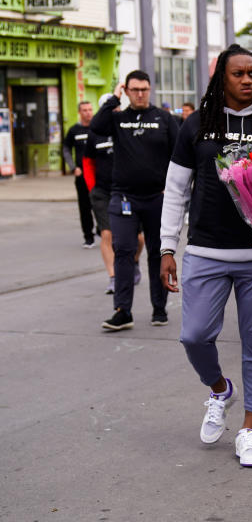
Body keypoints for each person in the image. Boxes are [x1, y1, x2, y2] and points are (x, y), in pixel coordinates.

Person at [160, 44, 252, 468]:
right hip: (205, 251)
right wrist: (167, 247)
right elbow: (175, 191)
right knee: (193, 334)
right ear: (221, 79)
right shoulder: (197, 126)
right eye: (239, 74)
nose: (247, 80)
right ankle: (219, 389)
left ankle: (249, 430)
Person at [91, 70, 179, 330]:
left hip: (157, 198)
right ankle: (122, 310)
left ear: (149, 90)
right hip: (124, 197)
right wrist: (112, 99)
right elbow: (95, 127)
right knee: (124, 250)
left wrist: (173, 191)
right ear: (127, 91)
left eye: (144, 89)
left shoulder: (164, 119)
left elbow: (179, 158)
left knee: (157, 253)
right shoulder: (117, 118)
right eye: (134, 89)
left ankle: (159, 308)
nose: (140, 94)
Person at [82, 101, 145, 295]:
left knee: (139, 238)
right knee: (107, 235)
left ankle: (134, 262)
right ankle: (113, 277)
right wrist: (92, 188)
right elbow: (87, 162)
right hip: (102, 192)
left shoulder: (126, 127)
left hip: (127, 190)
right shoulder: (94, 134)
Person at [63, 100, 96, 248]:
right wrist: (73, 167)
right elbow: (66, 149)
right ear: (79, 112)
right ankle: (88, 237)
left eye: (90, 109)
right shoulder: (74, 130)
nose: (88, 113)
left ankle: (103, 229)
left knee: (101, 205)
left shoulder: (97, 128)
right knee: (85, 207)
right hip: (82, 176)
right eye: (84, 110)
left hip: (98, 175)